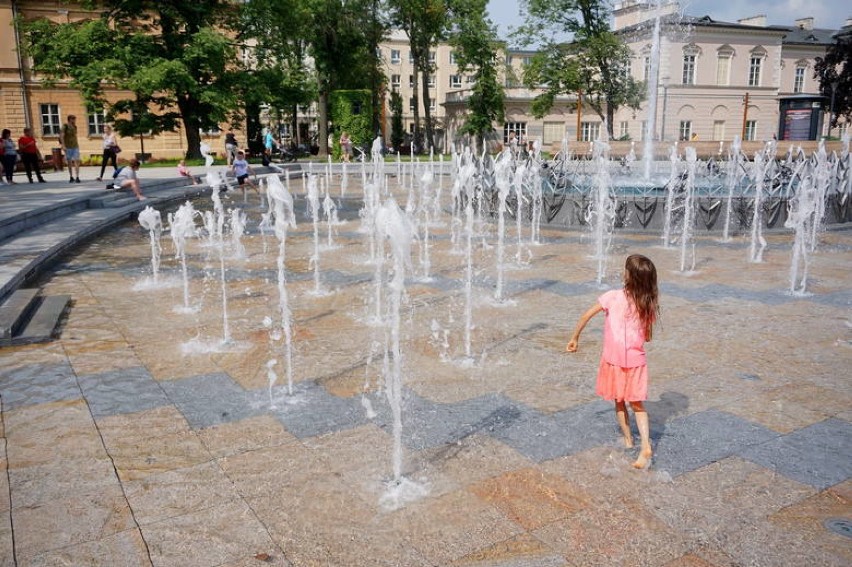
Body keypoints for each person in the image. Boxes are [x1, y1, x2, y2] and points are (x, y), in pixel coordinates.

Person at [566, 254, 660, 469]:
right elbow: (647, 336)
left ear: (628, 275)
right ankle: (645, 445)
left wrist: (574, 338)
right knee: (637, 404)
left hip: (613, 359)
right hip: (636, 360)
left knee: (619, 400)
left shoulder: (612, 296)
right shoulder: (647, 303)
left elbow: (585, 316)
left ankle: (628, 441)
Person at [60, 115, 81, 183]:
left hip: (75, 146)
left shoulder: (75, 127)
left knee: (77, 161)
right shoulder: (65, 126)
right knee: (69, 162)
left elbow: (75, 136)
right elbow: (62, 136)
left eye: (75, 119)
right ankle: (71, 176)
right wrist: (63, 145)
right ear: (69, 120)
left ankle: (77, 177)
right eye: (73, 119)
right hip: (68, 147)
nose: (74, 121)